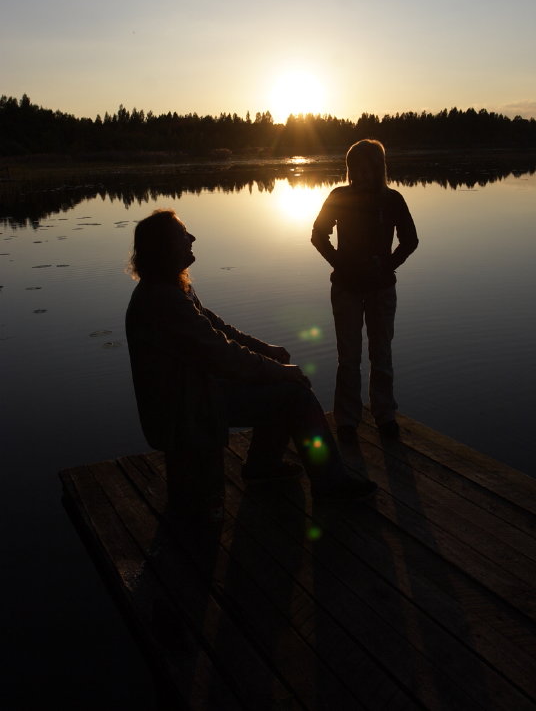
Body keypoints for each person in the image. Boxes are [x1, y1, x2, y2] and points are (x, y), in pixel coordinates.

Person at [125, 208, 376, 519]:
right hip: (184, 410)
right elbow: (223, 355)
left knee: (276, 381)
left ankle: (263, 466)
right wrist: (281, 371)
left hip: (195, 393)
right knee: (294, 393)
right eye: (182, 235)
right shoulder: (163, 300)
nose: (192, 238)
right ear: (163, 248)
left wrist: (264, 350)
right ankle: (330, 484)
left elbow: (217, 328)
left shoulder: (172, 288)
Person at [311, 139, 418, 444]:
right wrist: (339, 263)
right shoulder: (338, 196)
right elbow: (318, 234)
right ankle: (347, 420)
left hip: (382, 289)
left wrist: (388, 266)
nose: (359, 173)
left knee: (381, 354)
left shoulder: (393, 199)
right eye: (354, 167)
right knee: (348, 357)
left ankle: (384, 415)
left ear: (378, 168)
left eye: (366, 167)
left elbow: (410, 240)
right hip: (346, 288)